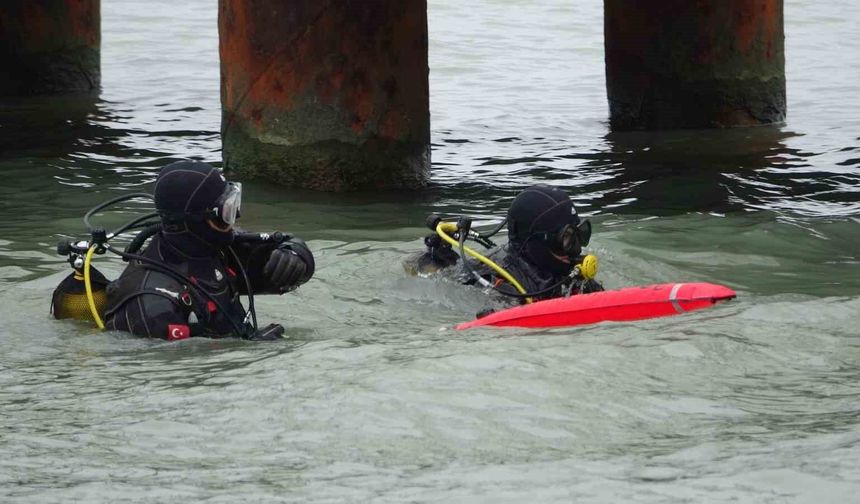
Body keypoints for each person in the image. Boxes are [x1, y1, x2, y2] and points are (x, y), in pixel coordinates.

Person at [103, 160, 314, 341]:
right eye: (227, 211)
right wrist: (253, 350)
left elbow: (282, 272)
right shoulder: (152, 305)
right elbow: (171, 368)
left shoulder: (216, 248)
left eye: (234, 204)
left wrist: (296, 255)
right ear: (198, 220)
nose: (235, 218)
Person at [405, 184, 603, 313]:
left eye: (579, 235)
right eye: (567, 239)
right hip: (461, 279)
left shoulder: (571, 273)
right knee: (439, 268)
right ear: (536, 242)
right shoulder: (502, 287)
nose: (576, 250)